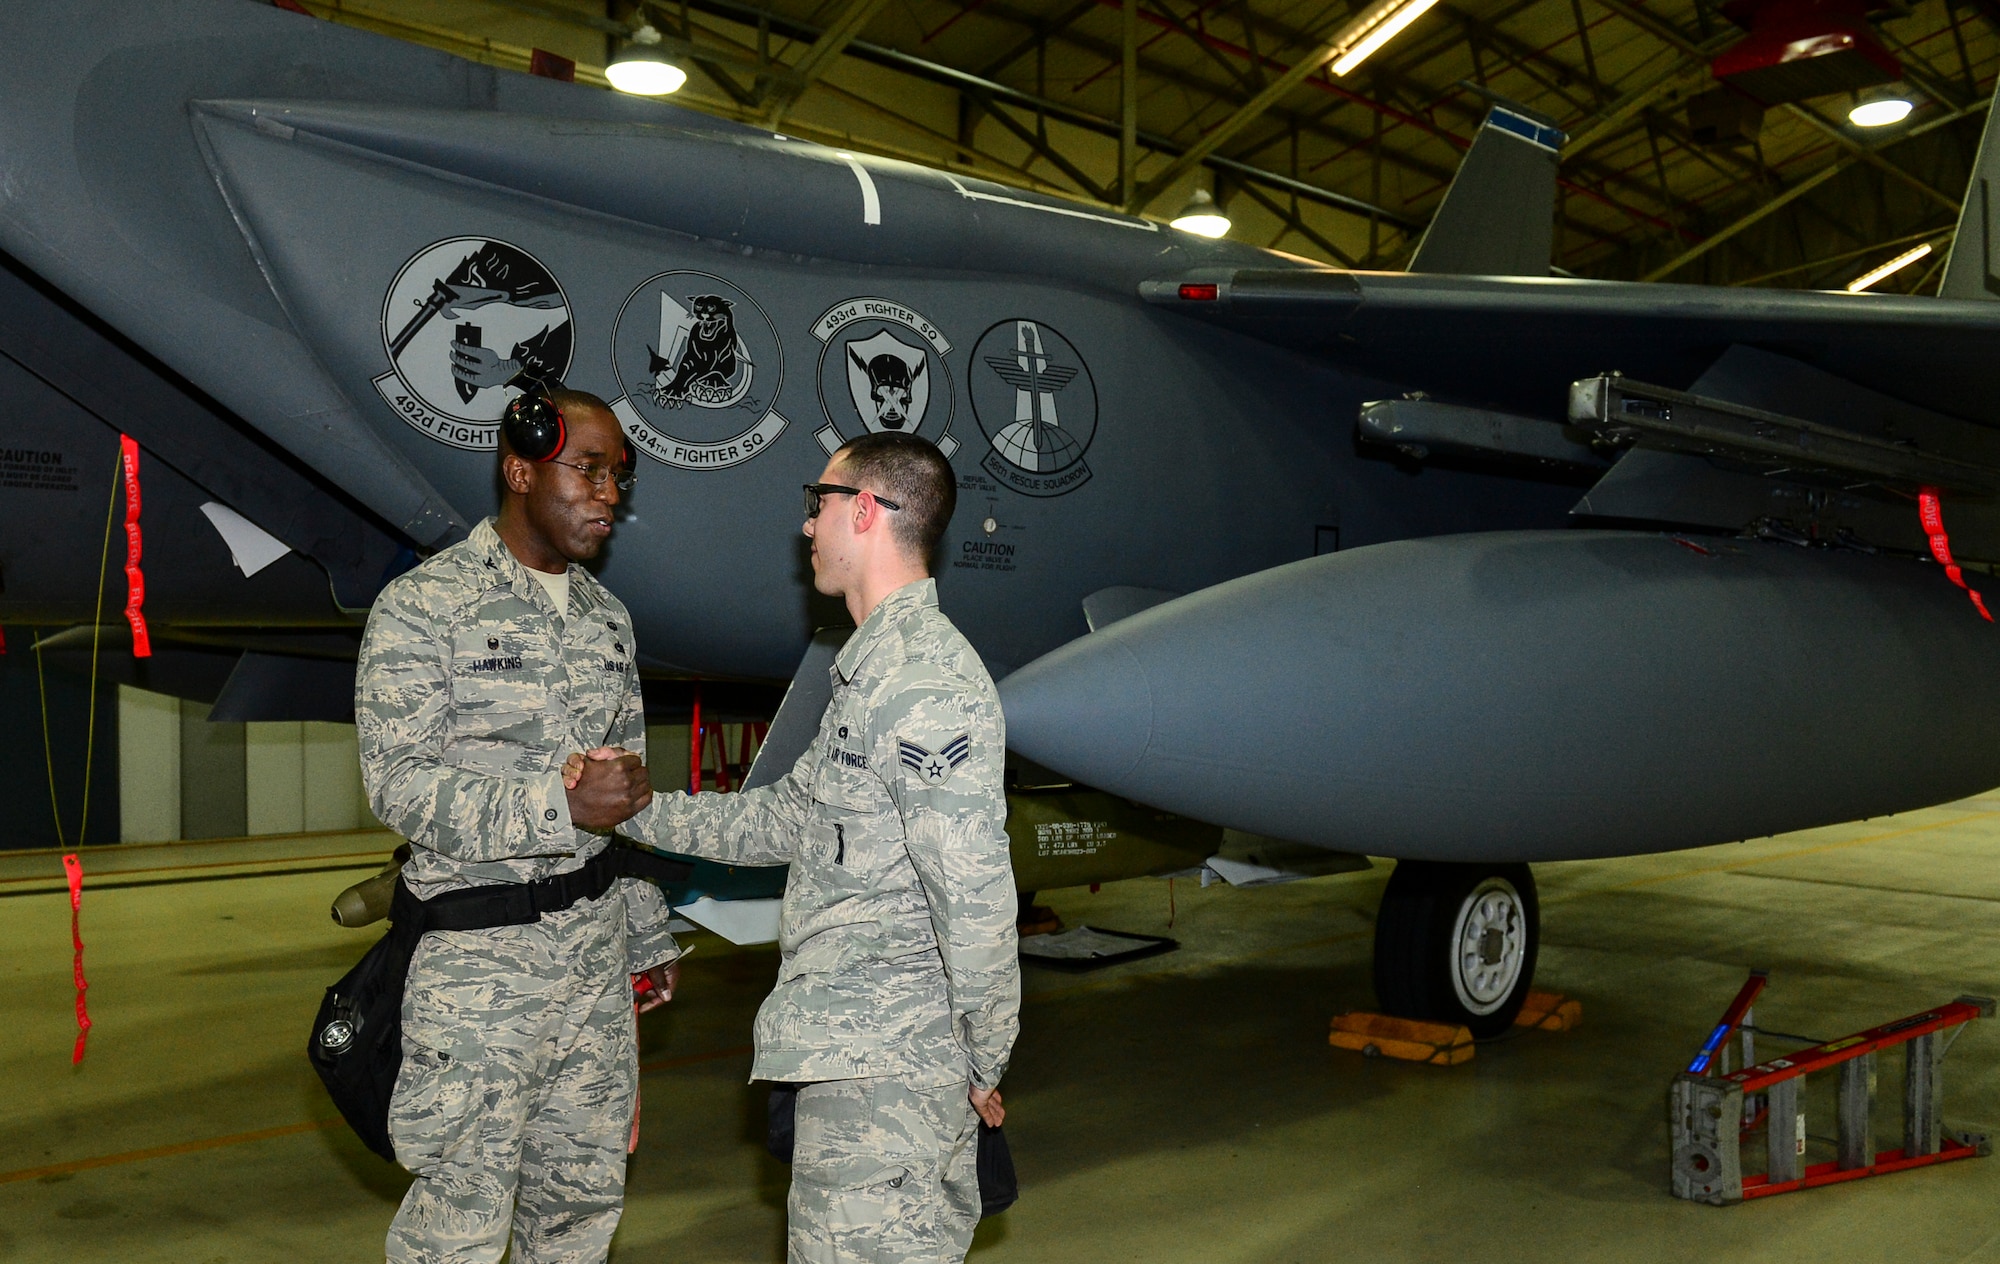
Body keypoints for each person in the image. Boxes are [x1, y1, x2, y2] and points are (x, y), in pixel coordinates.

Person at [573, 431, 1020, 1263]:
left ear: (864, 510)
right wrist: (629, 808)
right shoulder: (871, 674)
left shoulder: (925, 682)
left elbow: (977, 897)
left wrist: (981, 1061)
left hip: (893, 1080)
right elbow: (781, 821)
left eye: (816, 504)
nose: (805, 527)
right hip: (853, 1069)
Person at [355, 385, 679, 1264]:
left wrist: (643, 939)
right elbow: (397, 783)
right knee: (457, 1227)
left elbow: (627, 798)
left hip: (593, 970)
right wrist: (554, 803)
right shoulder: (426, 606)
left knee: (580, 1211)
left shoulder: (609, 622)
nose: (611, 495)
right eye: (589, 471)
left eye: (621, 477)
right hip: (475, 975)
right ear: (519, 469)